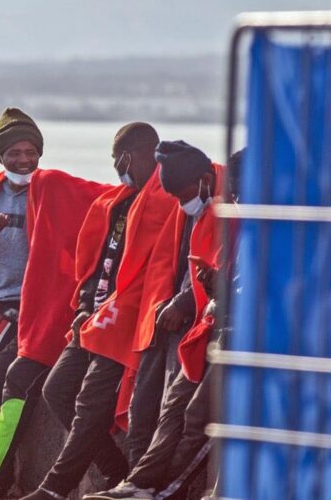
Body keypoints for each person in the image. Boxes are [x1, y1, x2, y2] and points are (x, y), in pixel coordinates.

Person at [15, 129, 181, 500]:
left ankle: (53, 489)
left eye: (116, 161)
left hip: (128, 324)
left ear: (128, 157)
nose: (116, 170)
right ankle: (115, 470)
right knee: (56, 389)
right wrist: (84, 308)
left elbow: (160, 272)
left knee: (92, 401)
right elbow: (96, 267)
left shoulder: (167, 202)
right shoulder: (119, 203)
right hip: (95, 320)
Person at [0, 110, 108, 499]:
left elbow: (106, 199)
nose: (24, 160)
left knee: (4, 378)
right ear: (0, 157)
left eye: (30, 151)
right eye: (14, 153)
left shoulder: (54, 190)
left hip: (40, 313)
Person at [88, 148, 238, 500]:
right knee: (165, 408)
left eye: (184, 196)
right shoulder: (195, 209)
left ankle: (162, 491)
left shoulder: (233, 214)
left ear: (203, 182)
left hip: (223, 332)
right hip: (198, 326)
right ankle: (139, 482)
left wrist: (193, 297)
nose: (181, 203)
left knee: (196, 419)